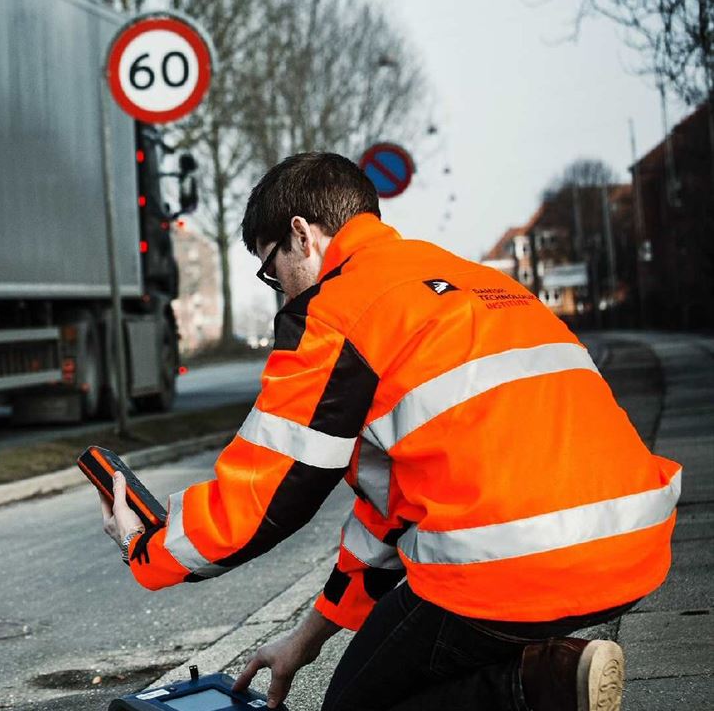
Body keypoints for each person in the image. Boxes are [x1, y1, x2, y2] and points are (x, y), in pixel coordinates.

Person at [99, 152, 680, 711]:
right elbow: (391, 509)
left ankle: (537, 684)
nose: (281, 290)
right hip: (636, 541)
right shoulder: (465, 277)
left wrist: (144, 546)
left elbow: (264, 496)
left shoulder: (337, 309)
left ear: (303, 235)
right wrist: (308, 638)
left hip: (516, 563)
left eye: (272, 269)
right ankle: (547, 679)